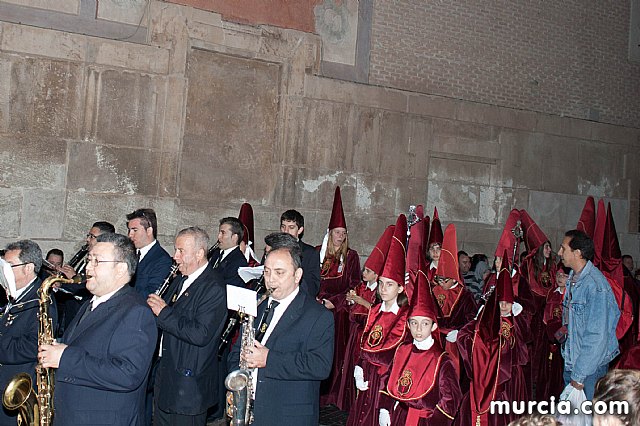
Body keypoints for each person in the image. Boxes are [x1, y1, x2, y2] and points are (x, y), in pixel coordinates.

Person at [39, 233, 157, 425]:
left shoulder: (136, 311)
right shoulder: (90, 303)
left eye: (97, 261)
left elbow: (128, 374)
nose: (87, 267)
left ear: (121, 269)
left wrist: (65, 357)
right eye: (89, 259)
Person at [228, 233, 334, 426]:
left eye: (279, 272)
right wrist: (238, 385)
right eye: (267, 272)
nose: (270, 280)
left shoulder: (319, 316)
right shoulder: (258, 305)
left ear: (298, 275)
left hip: (287, 416)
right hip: (251, 411)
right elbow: (237, 352)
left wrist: (269, 359)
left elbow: (320, 366)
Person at [147, 227, 227, 425]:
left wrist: (163, 312)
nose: (175, 257)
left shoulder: (214, 287)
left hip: (189, 386)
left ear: (200, 253)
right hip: (167, 377)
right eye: (176, 250)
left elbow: (201, 333)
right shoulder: (182, 279)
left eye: (181, 251)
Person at [379, 258, 462, 426]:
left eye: (424, 324)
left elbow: (451, 398)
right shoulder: (402, 350)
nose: (418, 329)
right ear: (408, 325)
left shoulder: (442, 359)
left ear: (433, 327)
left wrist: (433, 422)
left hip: (425, 421)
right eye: (414, 323)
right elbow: (388, 378)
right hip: (399, 417)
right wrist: (385, 408)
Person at [347, 215, 409, 426]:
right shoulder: (375, 310)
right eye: (381, 283)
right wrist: (359, 366)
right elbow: (366, 341)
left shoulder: (404, 316)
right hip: (368, 376)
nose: (383, 289)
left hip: (386, 381)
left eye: (389, 285)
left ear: (400, 288)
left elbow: (392, 353)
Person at [456, 252, 530, 426]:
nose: (504, 306)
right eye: (500, 302)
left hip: (510, 374)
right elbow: (470, 336)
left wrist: (518, 317)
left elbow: (524, 341)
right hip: (490, 372)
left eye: (508, 302)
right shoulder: (488, 321)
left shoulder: (517, 319)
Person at [558, 229, 619, 400]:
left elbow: (597, 336)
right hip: (573, 361)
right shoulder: (574, 278)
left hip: (588, 370)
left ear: (577, 253)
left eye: (564, 248)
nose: (559, 253)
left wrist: (579, 375)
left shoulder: (595, 286)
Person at [339, 225, 394, 412]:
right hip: (355, 332)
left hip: (367, 333)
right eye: (365, 270)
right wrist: (350, 302)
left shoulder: (378, 293)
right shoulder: (361, 287)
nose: (364, 273)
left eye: (369, 271)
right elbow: (352, 309)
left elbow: (377, 311)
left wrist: (360, 300)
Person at [0, 240, 52, 426]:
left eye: (10, 266)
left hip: (18, 385)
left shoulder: (40, 300)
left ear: (28, 268)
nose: (4, 271)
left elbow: (33, 346)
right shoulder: (14, 293)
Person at [317, 187, 361, 408]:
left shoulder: (351, 257)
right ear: (329, 233)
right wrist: (318, 301)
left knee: (336, 355)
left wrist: (335, 302)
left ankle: (334, 396)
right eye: (337, 232)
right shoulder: (319, 252)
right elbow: (312, 281)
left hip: (339, 312)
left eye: (344, 233)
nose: (340, 236)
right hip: (317, 310)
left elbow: (355, 286)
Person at [56, 221, 116, 336]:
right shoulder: (85, 256)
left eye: (92, 236)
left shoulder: (106, 264)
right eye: (88, 236)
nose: (88, 239)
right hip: (71, 318)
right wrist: (60, 283)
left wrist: (74, 277)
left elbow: (87, 289)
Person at [127, 208, 173, 297]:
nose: (130, 235)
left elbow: (151, 294)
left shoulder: (162, 260)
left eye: (135, 230)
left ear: (149, 231)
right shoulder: (127, 252)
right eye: (129, 230)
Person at [280, 209, 321, 298]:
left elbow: (313, 288)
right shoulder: (274, 250)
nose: (286, 231)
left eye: (291, 227)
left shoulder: (310, 253)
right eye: (283, 227)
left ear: (300, 230)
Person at [209, 217, 249, 287]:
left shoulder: (239, 262)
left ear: (234, 237)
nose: (219, 236)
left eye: (223, 233)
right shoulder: (216, 252)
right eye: (219, 232)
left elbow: (227, 288)